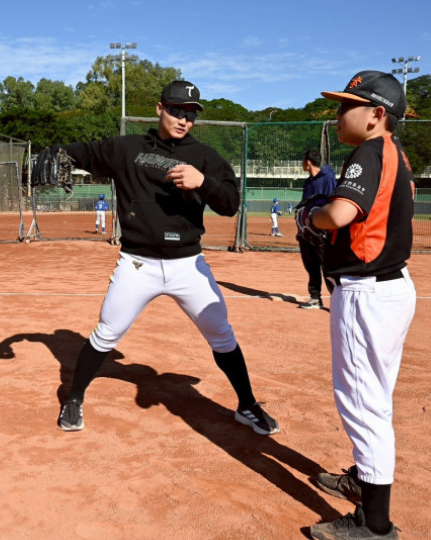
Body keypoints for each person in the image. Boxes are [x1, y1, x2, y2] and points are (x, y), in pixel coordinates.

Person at [53, 80, 279, 436]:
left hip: (188, 265)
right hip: (137, 264)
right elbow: (79, 151)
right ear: (160, 108)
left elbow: (230, 204)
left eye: (190, 114)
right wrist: (53, 152)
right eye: (176, 110)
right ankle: (74, 397)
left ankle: (247, 405)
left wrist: (202, 181)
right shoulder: (126, 148)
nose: (182, 119)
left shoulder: (206, 158)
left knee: (221, 333)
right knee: (107, 332)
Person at [297, 71, 416, 540]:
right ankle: (363, 482)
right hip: (389, 289)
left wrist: (310, 217)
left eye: (349, 105)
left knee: (362, 403)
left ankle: (375, 524)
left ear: (377, 115)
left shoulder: (369, 152)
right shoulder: (395, 155)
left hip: (367, 293)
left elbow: (340, 214)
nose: (340, 113)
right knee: (375, 397)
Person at [297, 149, 337, 310]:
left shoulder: (327, 177)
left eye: (303, 160)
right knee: (310, 265)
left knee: (327, 267)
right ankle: (315, 298)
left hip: (322, 232)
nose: (302, 164)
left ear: (308, 162)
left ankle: (337, 299)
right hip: (306, 232)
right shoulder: (308, 182)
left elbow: (332, 201)